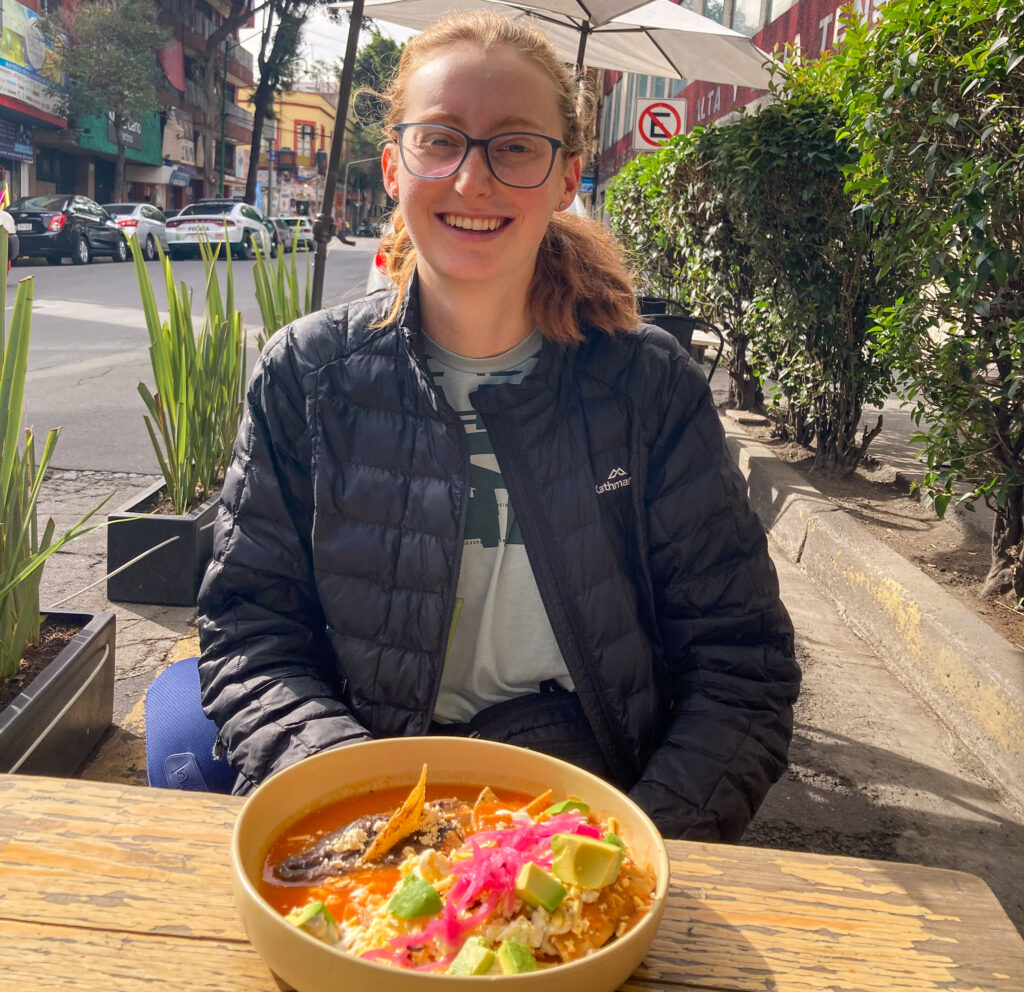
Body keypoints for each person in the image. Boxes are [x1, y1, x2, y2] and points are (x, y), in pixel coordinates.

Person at [195, 11, 799, 842]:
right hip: (367, 787)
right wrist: (357, 811)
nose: (472, 181)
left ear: (566, 178)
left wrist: (640, 849)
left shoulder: (648, 387)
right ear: (393, 168)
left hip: (586, 801)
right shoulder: (306, 376)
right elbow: (251, 633)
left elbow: (742, 664)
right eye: (440, 140)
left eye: (515, 146)